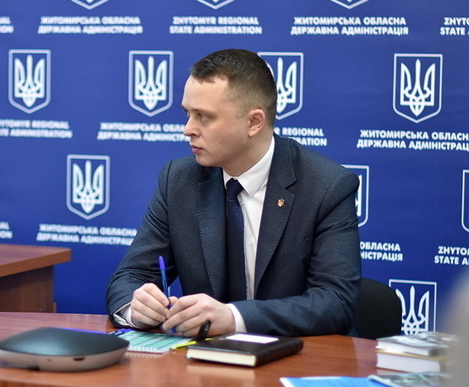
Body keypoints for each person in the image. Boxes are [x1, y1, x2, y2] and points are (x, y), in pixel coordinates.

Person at [106, 48, 361, 337]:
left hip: (294, 356)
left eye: (203, 117)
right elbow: (131, 276)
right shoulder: (178, 180)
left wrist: (234, 318)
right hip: (202, 359)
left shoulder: (326, 186)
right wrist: (136, 307)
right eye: (188, 114)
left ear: (254, 122)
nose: (187, 129)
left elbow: (336, 302)